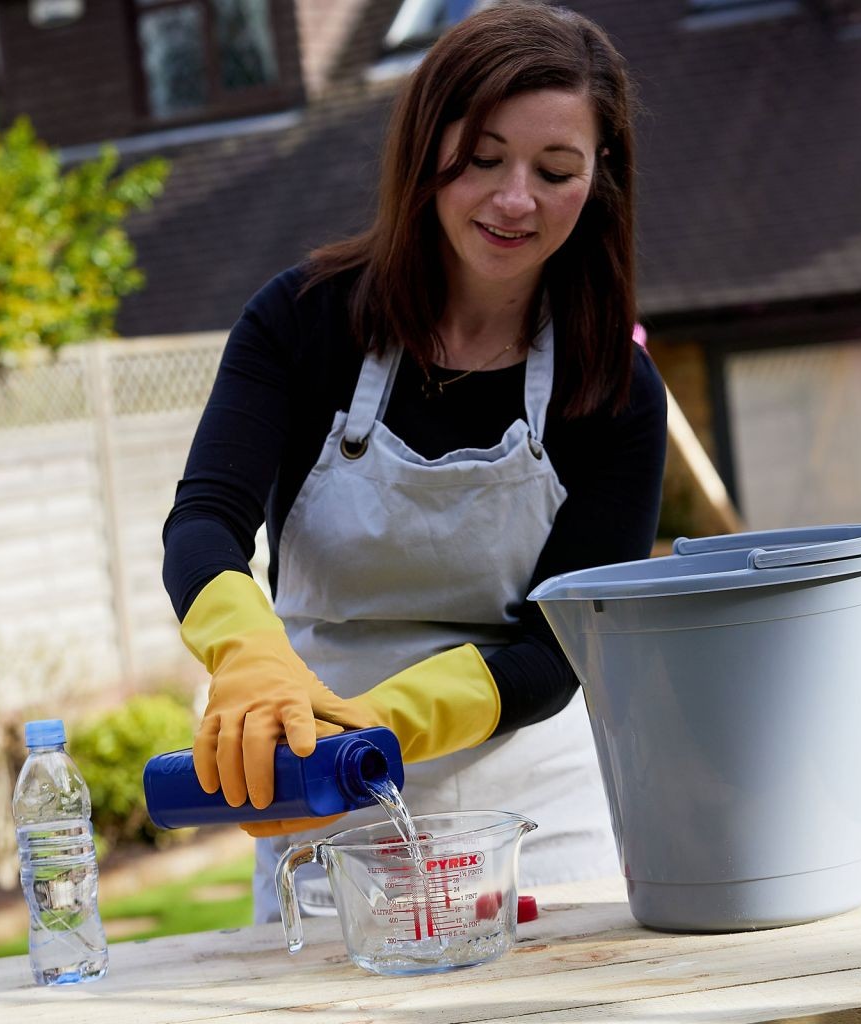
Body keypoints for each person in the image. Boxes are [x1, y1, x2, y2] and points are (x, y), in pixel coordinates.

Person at [162, 0, 667, 923]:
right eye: (483, 159)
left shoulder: (613, 388)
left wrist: (380, 722)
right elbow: (204, 523)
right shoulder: (303, 323)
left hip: (539, 816)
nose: (515, 200)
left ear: (600, 181)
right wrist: (252, 660)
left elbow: (561, 646)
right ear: (425, 152)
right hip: (323, 791)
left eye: (556, 171)